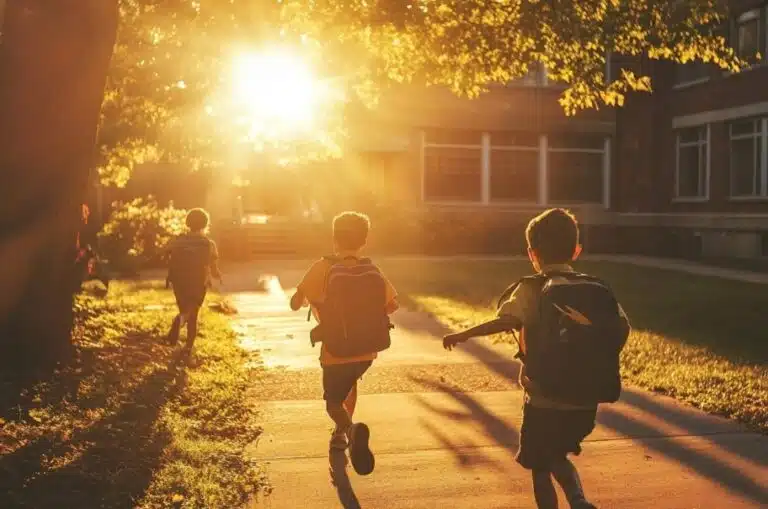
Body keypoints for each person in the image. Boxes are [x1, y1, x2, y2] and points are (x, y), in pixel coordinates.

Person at [443, 208, 630, 509]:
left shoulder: (530, 288)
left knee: (541, 465)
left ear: (533, 253)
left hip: (544, 400)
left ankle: (572, 502)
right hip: (585, 402)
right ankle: (578, 499)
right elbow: (621, 328)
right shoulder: (597, 288)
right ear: (576, 250)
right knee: (557, 454)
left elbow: (504, 322)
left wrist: (462, 334)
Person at [290, 211, 399, 476]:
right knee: (349, 385)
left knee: (332, 402)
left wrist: (307, 298)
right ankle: (340, 435)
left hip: (336, 349)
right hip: (367, 351)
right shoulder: (371, 268)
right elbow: (393, 305)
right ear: (364, 240)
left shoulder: (323, 267)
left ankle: (349, 430)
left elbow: (295, 303)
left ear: (334, 238)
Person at [166, 208, 222, 346]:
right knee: (193, 313)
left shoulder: (178, 241)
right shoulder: (209, 244)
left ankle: (181, 319)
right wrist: (217, 275)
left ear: (187, 223)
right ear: (205, 224)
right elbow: (213, 268)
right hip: (198, 280)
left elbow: (170, 259)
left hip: (179, 280)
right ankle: (188, 346)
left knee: (184, 309)